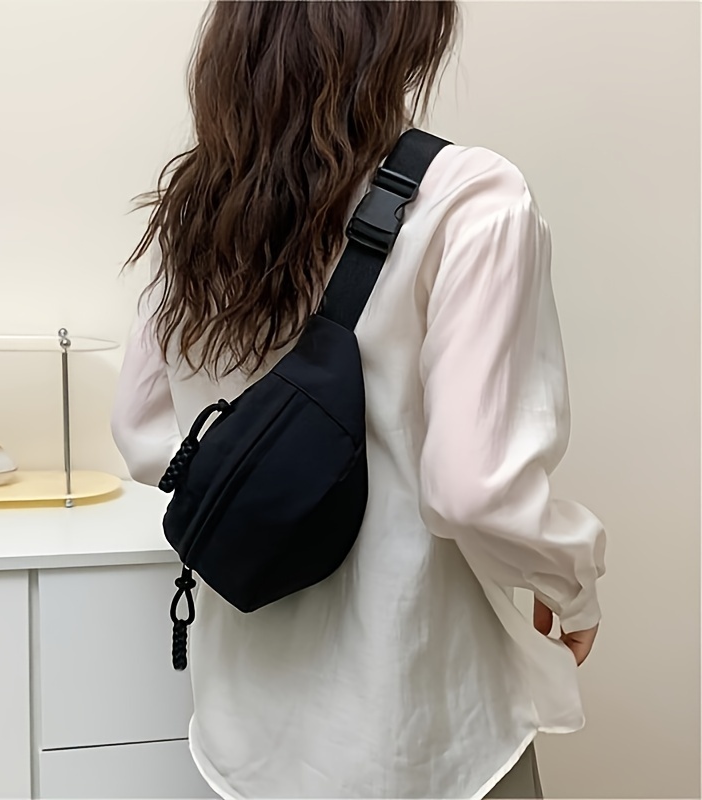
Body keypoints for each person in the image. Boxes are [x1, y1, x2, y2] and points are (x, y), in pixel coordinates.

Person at [111, 2, 606, 798]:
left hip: (247, 729)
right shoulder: (471, 198)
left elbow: (143, 437)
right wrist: (570, 585)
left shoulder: (200, 204)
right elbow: (472, 490)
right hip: (420, 730)